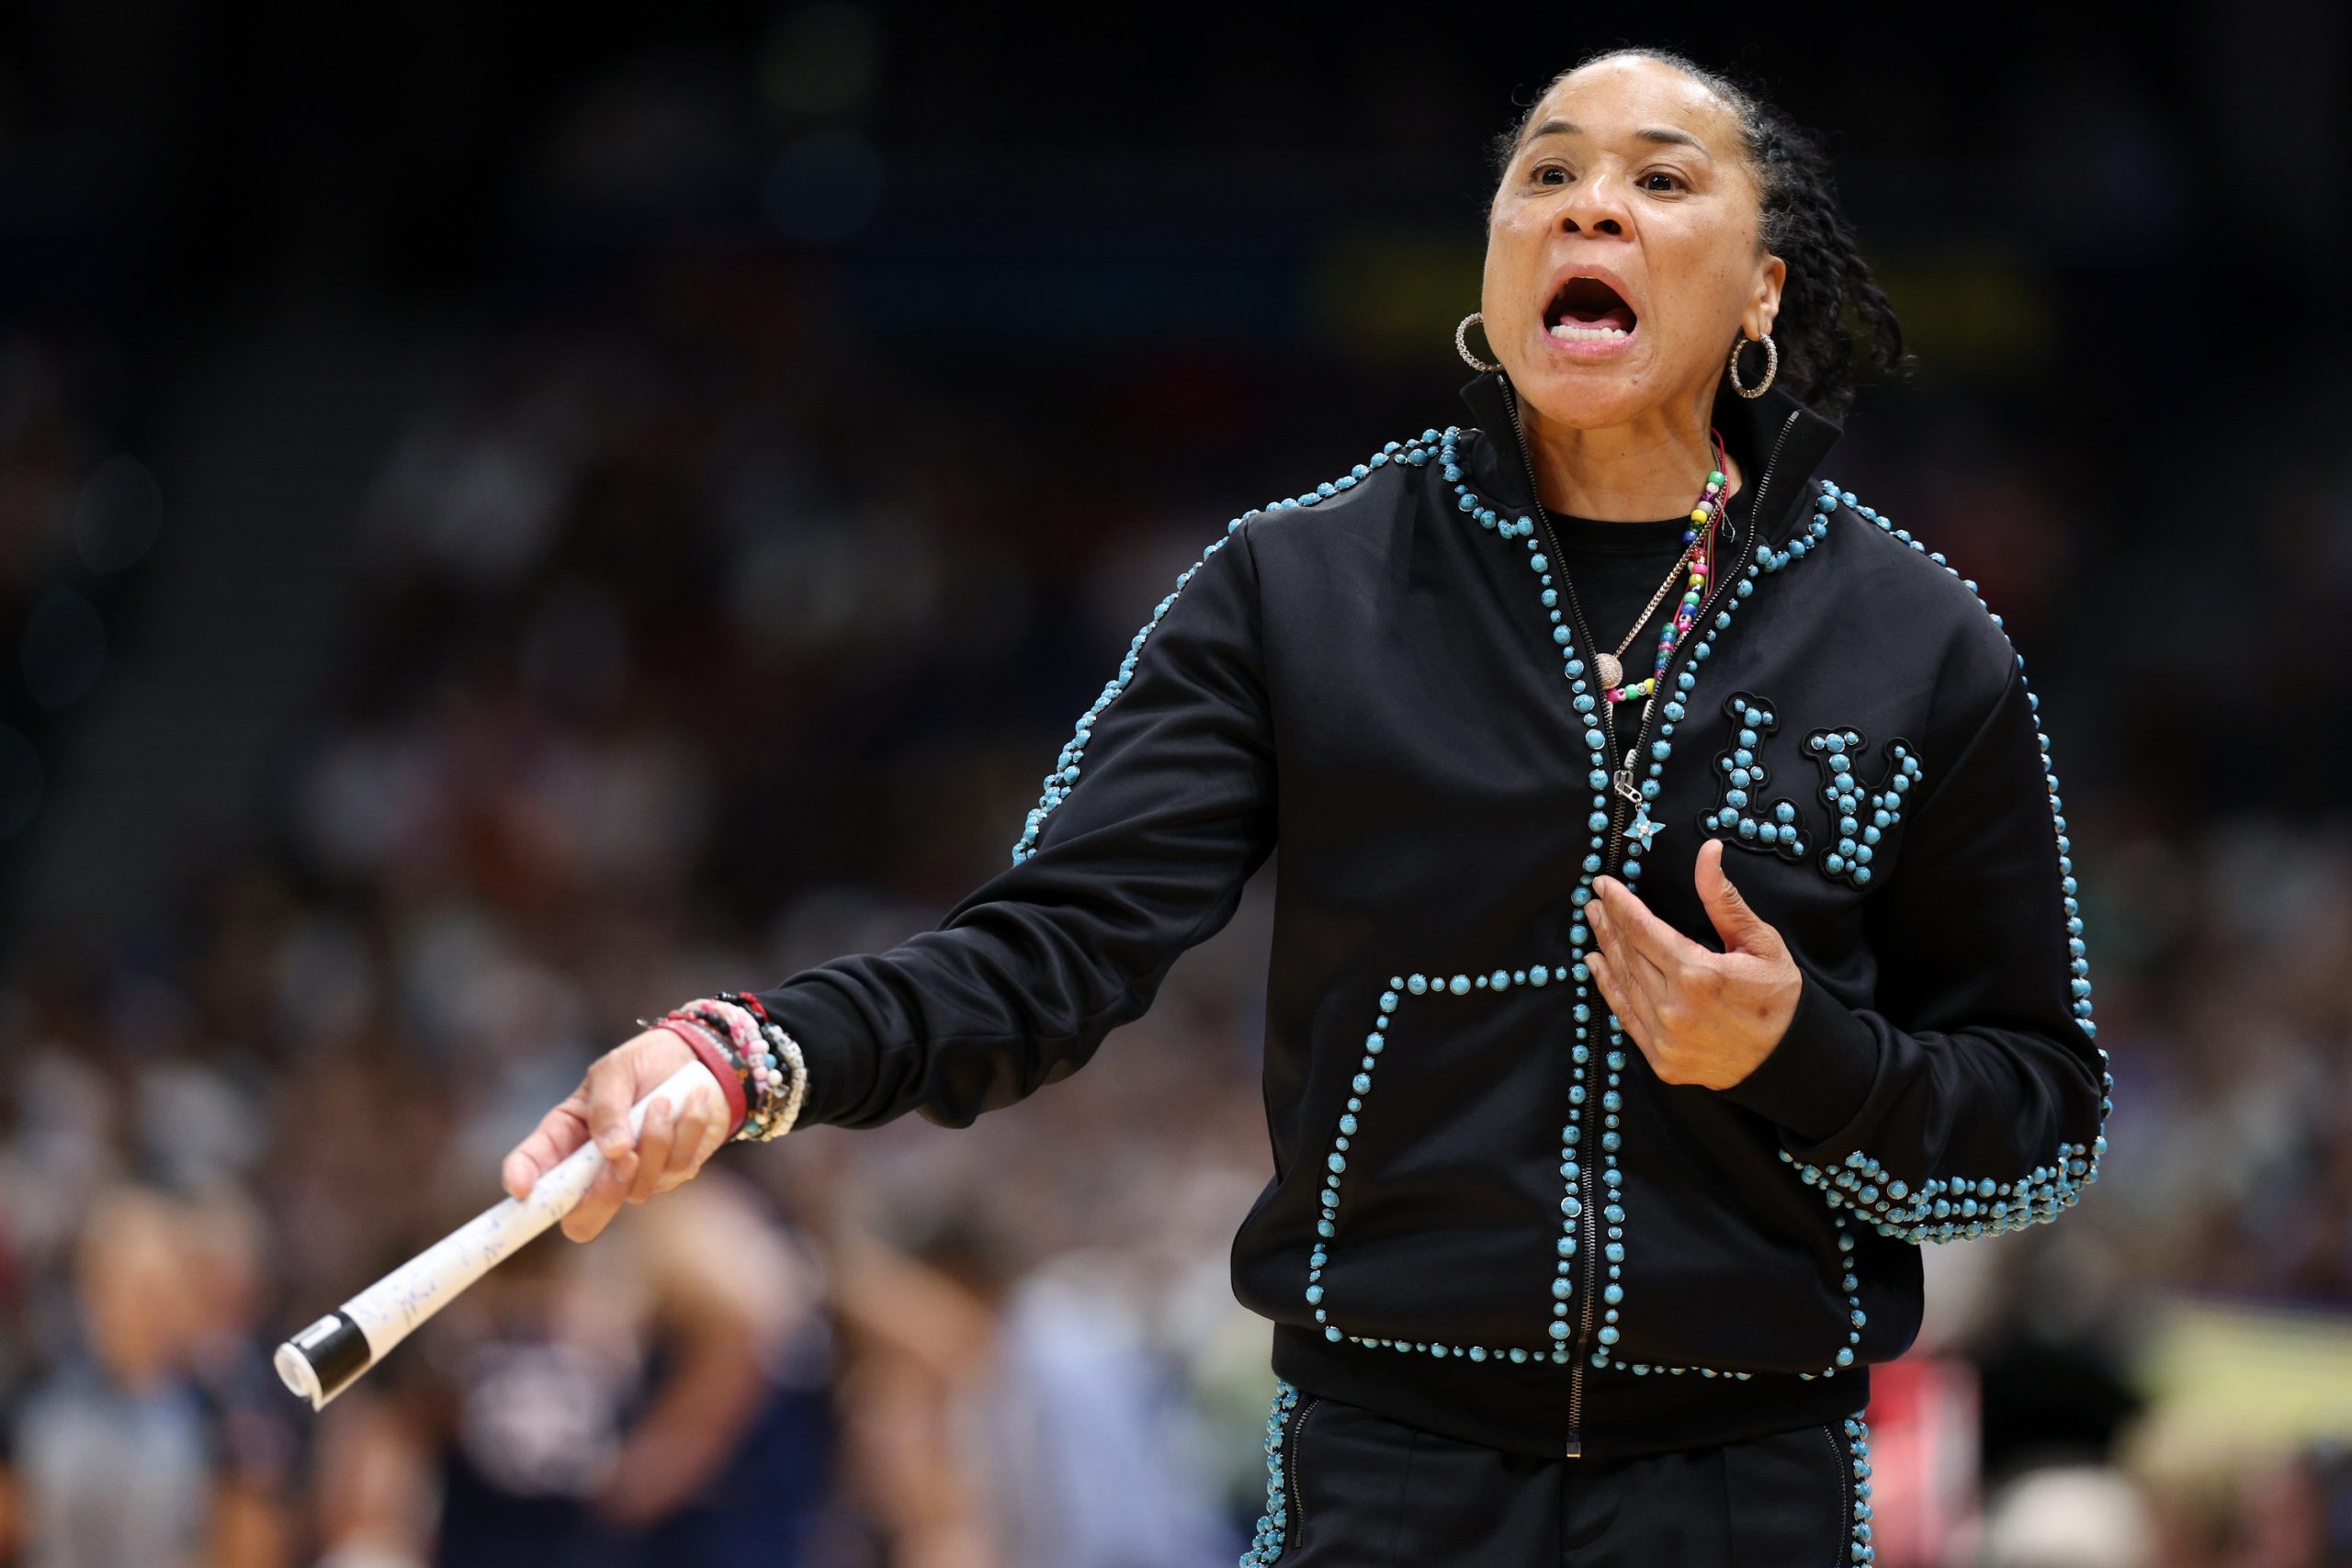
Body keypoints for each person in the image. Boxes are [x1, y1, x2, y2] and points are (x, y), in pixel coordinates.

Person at [503, 45, 2112, 1564]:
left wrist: (1799, 1060)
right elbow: (1049, 950)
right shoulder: (1301, 581)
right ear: (1498, 271)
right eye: (1544, 174)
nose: (1590, 205)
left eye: (1662, 179)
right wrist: (749, 1054)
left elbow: (2040, 1122)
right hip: (1385, 1479)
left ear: (1763, 293)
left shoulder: (1920, 641)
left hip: (1748, 1494)